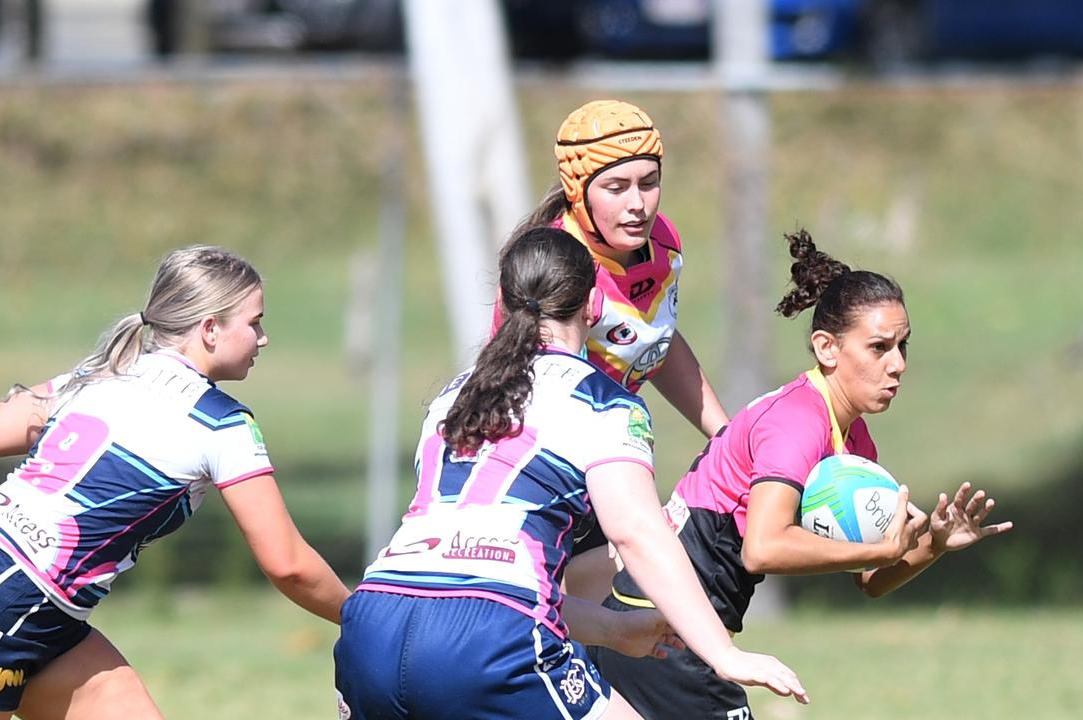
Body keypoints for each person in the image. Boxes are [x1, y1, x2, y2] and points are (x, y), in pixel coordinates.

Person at [334, 227, 809, 720]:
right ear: (593, 304)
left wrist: (613, 630)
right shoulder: (603, 402)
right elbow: (636, 534)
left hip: (371, 626)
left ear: (502, 299)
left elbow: (471, 573)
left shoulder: (454, 397)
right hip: (490, 639)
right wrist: (723, 653)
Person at [0, 246, 350, 720]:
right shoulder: (222, 426)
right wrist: (362, 620)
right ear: (211, 329)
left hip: (27, 609)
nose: (263, 338)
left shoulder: (101, 372)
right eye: (255, 322)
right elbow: (288, 565)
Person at [589, 229, 1014, 720]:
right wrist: (880, 548)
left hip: (674, 628)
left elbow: (871, 578)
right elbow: (763, 547)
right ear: (826, 348)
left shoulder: (852, 441)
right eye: (879, 348)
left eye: (903, 346)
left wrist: (932, 545)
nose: (897, 365)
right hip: (663, 628)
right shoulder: (797, 423)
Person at [501, 98, 731, 602]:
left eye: (649, 183)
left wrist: (728, 438)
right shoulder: (555, 268)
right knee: (574, 613)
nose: (638, 204)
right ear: (576, 191)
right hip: (551, 475)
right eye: (615, 187)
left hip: (611, 461)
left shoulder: (663, 243)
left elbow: (656, 343)